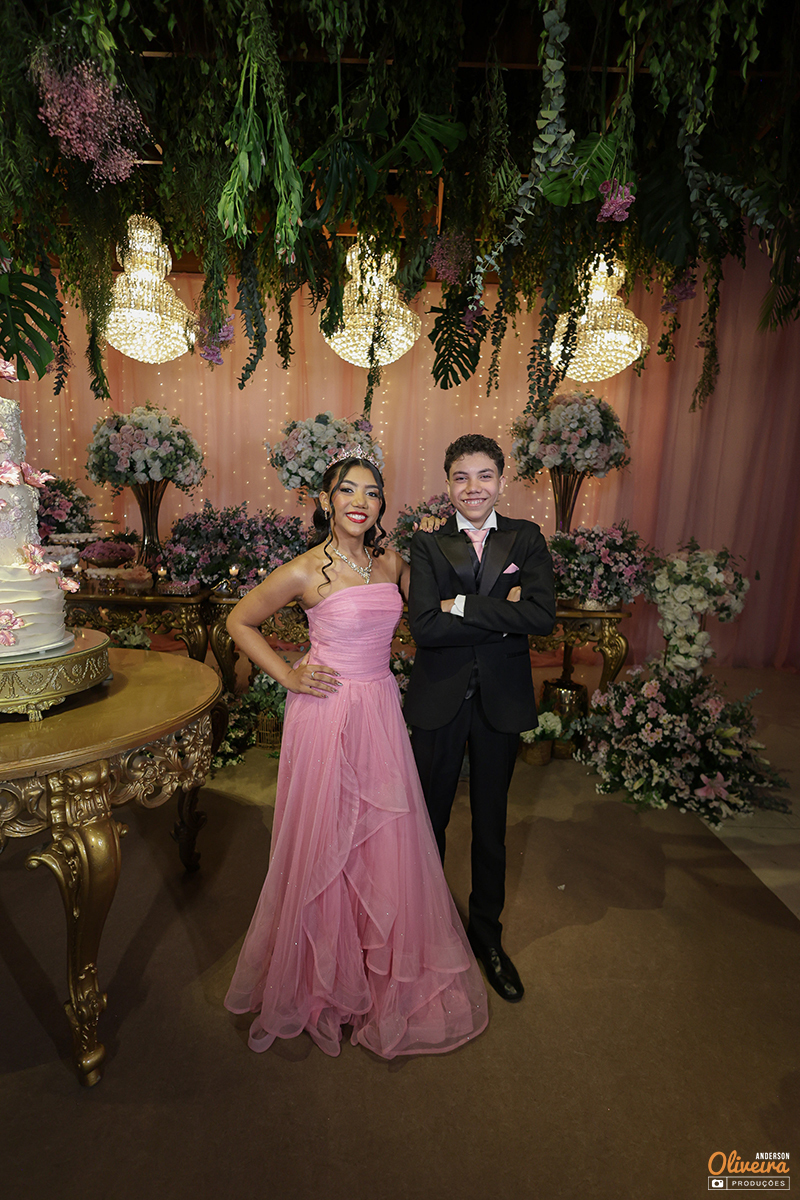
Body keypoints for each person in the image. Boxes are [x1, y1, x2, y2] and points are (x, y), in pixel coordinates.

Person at [224, 453, 488, 1058]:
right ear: (326, 500)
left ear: (380, 504)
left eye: (371, 492)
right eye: (347, 490)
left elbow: (439, 609)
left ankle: (371, 970)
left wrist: (486, 587)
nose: (360, 502)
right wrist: (288, 676)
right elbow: (240, 621)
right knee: (326, 835)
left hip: (379, 709)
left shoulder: (392, 562)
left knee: (380, 834)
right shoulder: (302, 570)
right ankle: (321, 980)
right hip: (326, 710)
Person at [404, 434, 556, 1004]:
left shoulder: (526, 537)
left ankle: (487, 936)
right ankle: (425, 932)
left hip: (501, 700)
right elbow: (424, 626)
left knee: (491, 824)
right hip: (438, 699)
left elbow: (540, 617)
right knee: (429, 822)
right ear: (448, 484)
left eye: (484, 475)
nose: (473, 487)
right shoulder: (427, 542)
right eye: (462, 477)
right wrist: (503, 614)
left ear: (501, 480)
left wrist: (462, 605)